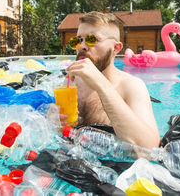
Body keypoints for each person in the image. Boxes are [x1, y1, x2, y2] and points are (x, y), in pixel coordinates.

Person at [66, 11, 160, 149]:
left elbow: (150, 148)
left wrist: (101, 84)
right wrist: (53, 118)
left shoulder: (131, 85)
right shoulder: (72, 80)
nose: (82, 46)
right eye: (78, 40)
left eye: (92, 40)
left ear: (116, 48)